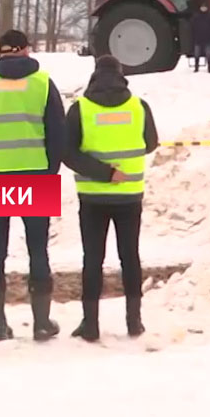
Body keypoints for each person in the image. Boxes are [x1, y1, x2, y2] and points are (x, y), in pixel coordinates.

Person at [0, 29, 67, 342]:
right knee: (38, 250)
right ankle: (42, 323)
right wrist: (49, 172)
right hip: (35, 176)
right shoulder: (43, 84)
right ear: (24, 50)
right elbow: (59, 135)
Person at [62, 55, 159, 341]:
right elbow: (151, 142)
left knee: (92, 258)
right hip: (129, 195)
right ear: (121, 75)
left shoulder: (80, 108)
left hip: (92, 197)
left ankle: (90, 324)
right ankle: (134, 321)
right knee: (130, 256)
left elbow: (67, 153)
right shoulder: (139, 107)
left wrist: (103, 172)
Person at [190, 1, 210, 73]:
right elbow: (192, 27)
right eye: (202, 7)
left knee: (208, 54)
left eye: (204, 7)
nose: (203, 8)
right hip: (198, 38)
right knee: (197, 54)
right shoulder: (196, 17)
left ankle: (209, 68)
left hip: (207, 39)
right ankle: (196, 68)